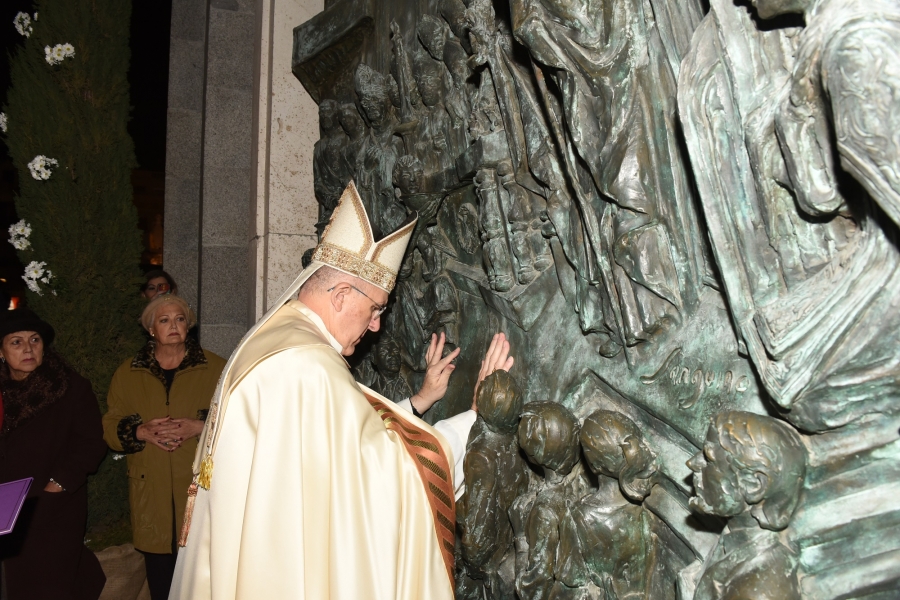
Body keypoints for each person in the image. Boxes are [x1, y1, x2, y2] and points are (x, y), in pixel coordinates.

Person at [171, 180, 512, 599]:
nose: (376, 325)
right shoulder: (308, 364)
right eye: (375, 309)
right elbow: (383, 483)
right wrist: (476, 418)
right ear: (341, 295)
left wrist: (419, 401)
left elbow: (333, 444)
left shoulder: (282, 338)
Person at [102, 295, 226, 600]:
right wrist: (140, 431)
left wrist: (199, 427)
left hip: (199, 487)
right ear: (151, 330)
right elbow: (110, 425)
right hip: (150, 489)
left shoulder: (216, 367)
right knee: (160, 579)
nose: (174, 326)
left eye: (180, 319)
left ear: (189, 326)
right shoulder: (128, 372)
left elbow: (239, 419)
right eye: (165, 320)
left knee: (201, 577)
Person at [0, 309, 107, 599]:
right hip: (5, 507)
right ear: (1, 351)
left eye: (34, 340)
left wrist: (58, 483)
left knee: (51, 584)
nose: (28, 349)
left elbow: (92, 441)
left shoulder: (69, 387)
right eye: (16, 342)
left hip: (52, 506)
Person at [681, 411, 806, 600]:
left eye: (709, 459)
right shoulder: (736, 537)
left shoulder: (758, 590)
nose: (692, 463)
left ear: (754, 485)